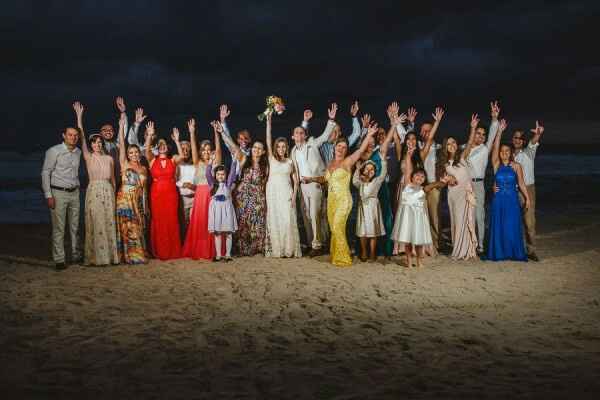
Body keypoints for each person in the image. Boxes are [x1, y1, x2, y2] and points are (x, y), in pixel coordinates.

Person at [306, 118, 377, 267]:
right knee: (334, 229)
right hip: (331, 201)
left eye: (344, 147)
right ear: (335, 147)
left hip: (344, 201)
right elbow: (324, 179)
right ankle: (335, 254)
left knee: (338, 227)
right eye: (339, 146)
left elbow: (359, 151)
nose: (341, 149)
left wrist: (369, 135)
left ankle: (343, 258)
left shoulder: (348, 162)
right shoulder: (331, 164)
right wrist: (310, 179)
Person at [73, 102, 119, 266]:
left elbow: (113, 178)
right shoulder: (88, 156)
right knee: (96, 221)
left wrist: (114, 193)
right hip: (94, 190)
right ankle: (96, 257)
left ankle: (110, 257)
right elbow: (82, 136)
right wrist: (79, 117)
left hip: (108, 190)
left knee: (108, 222)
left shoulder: (109, 158)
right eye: (95, 142)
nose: (97, 144)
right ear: (91, 145)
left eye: (100, 142)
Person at [290, 105, 337, 257]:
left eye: (301, 133)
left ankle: (317, 245)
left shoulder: (312, 144)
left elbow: (325, 136)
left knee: (314, 214)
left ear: (305, 136)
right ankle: (313, 243)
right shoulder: (293, 151)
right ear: (293, 136)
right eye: (296, 133)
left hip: (315, 184)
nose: (299, 135)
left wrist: (331, 119)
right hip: (303, 187)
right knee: (307, 216)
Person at [41, 115, 83, 270]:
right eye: (70, 135)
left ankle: (76, 255)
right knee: (59, 227)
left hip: (75, 192)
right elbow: (45, 172)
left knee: (75, 226)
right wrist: (48, 195)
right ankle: (59, 260)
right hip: (58, 193)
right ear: (64, 136)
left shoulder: (78, 152)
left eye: (75, 135)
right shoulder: (54, 151)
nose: (73, 137)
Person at [486, 118, 531, 261]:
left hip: (512, 200)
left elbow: (522, 184)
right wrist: (499, 132)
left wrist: (528, 199)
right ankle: (500, 253)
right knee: (499, 227)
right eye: (502, 151)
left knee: (511, 227)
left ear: (510, 152)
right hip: (498, 200)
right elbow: (494, 146)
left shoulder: (516, 166)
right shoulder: (496, 164)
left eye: (507, 150)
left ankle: (513, 253)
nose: (504, 152)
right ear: (499, 153)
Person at [463, 101, 501, 253]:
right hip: (465, 185)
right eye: (478, 133)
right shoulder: (464, 149)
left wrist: (494, 119)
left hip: (478, 185)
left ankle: (480, 245)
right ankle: (467, 243)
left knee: (479, 215)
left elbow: (493, 134)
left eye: (483, 134)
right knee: (466, 214)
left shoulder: (485, 149)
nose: (481, 136)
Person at [182, 119, 223, 261]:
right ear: (200, 151)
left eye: (208, 149)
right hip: (200, 196)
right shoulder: (197, 162)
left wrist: (216, 133)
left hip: (212, 195)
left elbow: (218, 149)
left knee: (212, 222)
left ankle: (213, 250)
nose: (206, 151)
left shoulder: (215, 162)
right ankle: (199, 249)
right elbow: (193, 147)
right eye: (203, 149)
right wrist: (192, 132)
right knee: (200, 223)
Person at [264, 112, 302, 258]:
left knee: (287, 220)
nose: (281, 149)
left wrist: (294, 196)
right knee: (275, 220)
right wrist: (268, 122)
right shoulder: (271, 159)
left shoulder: (290, 161)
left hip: (286, 192)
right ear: (276, 148)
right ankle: (277, 250)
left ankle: (289, 249)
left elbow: (296, 181)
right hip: (272, 192)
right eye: (278, 147)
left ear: (286, 148)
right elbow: (268, 139)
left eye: (283, 147)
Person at [353, 126, 392, 262]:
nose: (370, 171)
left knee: (374, 232)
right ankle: (363, 251)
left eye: (372, 170)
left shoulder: (376, 181)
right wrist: (358, 170)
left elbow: (382, 173)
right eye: (367, 169)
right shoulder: (361, 183)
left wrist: (383, 160)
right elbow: (354, 181)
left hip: (373, 208)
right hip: (363, 209)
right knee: (363, 232)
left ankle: (372, 252)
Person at [145, 122, 183, 260]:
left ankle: (173, 251)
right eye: (160, 145)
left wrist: (177, 141)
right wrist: (149, 136)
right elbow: (146, 151)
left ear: (168, 147)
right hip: (156, 194)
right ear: (157, 147)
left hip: (171, 194)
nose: (162, 147)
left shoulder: (172, 160)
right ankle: (160, 251)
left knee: (171, 220)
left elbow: (182, 156)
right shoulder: (152, 160)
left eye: (164, 145)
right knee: (159, 221)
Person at [435, 135, 478, 260]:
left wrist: (473, 128)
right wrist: (448, 179)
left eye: (453, 142)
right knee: (458, 221)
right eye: (448, 144)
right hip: (454, 194)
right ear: (445, 148)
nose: (451, 145)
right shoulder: (444, 163)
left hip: (466, 193)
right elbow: (441, 180)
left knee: (468, 220)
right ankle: (459, 250)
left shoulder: (462, 158)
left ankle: (469, 249)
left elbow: (470, 142)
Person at [391, 145, 433, 268]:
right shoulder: (408, 185)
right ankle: (409, 261)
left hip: (419, 218)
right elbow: (408, 169)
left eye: (422, 176)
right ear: (412, 177)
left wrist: (444, 181)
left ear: (424, 179)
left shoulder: (423, 189)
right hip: (407, 218)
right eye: (417, 175)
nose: (419, 177)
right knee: (408, 241)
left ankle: (419, 261)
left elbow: (435, 185)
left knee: (419, 242)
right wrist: (408, 155)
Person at [116, 112, 149, 264]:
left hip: (137, 200)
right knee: (126, 227)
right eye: (131, 152)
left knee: (137, 226)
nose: (134, 154)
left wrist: (146, 205)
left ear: (139, 153)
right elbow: (122, 143)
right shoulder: (124, 163)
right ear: (128, 155)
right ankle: (126, 256)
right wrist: (121, 126)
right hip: (124, 199)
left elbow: (145, 190)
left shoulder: (143, 168)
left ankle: (136, 254)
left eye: (136, 152)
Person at [228, 136, 269, 257]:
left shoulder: (265, 166)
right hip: (243, 197)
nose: (256, 149)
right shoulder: (245, 160)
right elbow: (235, 148)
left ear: (263, 152)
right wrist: (222, 131)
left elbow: (265, 183)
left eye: (259, 148)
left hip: (257, 198)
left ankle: (256, 249)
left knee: (257, 223)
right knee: (243, 223)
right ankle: (243, 249)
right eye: (255, 147)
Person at [512, 121, 544, 261]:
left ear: (523, 141)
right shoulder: (507, 154)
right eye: (515, 137)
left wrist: (537, 134)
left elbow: (533, 142)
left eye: (520, 138)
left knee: (529, 222)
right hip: (512, 191)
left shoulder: (529, 153)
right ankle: (515, 249)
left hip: (528, 190)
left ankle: (531, 250)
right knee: (513, 221)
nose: (517, 140)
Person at [206, 159, 238, 262]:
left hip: (227, 210)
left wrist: (233, 161)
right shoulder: (212, 185)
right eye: (218, 174)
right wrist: (210, 164)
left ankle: (228, 255)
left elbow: (233, 174)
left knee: (228, 233)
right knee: (218, 233)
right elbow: (207, 174)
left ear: (225, 175)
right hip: (217, 211)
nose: (220, 176)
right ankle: (219, 255)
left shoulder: (228, 184)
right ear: (215, 175)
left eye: (223, 174)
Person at [219, 104, 251, 178]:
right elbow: (227, 139)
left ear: (249, 140)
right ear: (237, 140)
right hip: (234, 180)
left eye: (246, 138)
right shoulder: (234, 149)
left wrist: (222, 132)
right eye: (241, 139)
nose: (244, 141)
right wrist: (222, 120)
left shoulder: (252, 151)